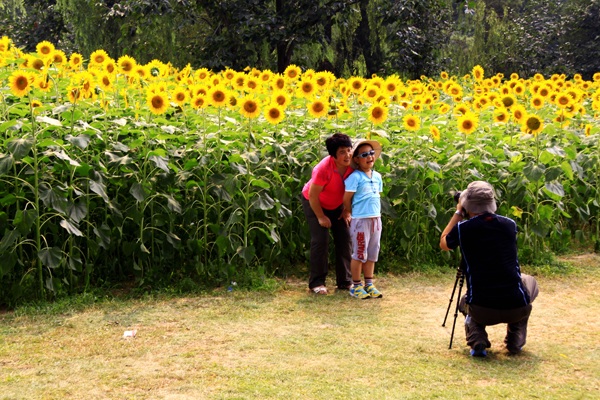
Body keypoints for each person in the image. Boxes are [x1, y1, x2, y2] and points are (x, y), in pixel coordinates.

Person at [440, 181, 539, 357]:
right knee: (529, 282)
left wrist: (458, 213)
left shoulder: (464, 228)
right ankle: (515, 339)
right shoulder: (510, 225)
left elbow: (444, 243)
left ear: (467, 204)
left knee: (465, 301)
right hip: (516, 306)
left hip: (482, 310)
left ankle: (477, 338)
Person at [301, 133, 353, 295]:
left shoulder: (354, 165)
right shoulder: (323, 169)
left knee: (345, 238)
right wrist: (321, 217)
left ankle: (345, 281)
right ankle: (317, 283)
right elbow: (313, 196)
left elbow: (354, 190)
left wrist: (346, 210)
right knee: (320, 240)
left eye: (349, 150)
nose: (347, 155)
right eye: (342, 152)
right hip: (315, 203)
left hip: (338, 204)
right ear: (333, 156)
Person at [343, 139, 384, 299]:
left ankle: (369, 283)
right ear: (356, 159)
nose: (370, 157)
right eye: (364, 154)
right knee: (360, 252)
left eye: (371, 153)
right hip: (361, 221)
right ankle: (356, 285)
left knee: (372, 252)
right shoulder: (355, 177)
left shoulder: (378, 176)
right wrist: (354, 213)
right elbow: (346, 199)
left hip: (376, 219)